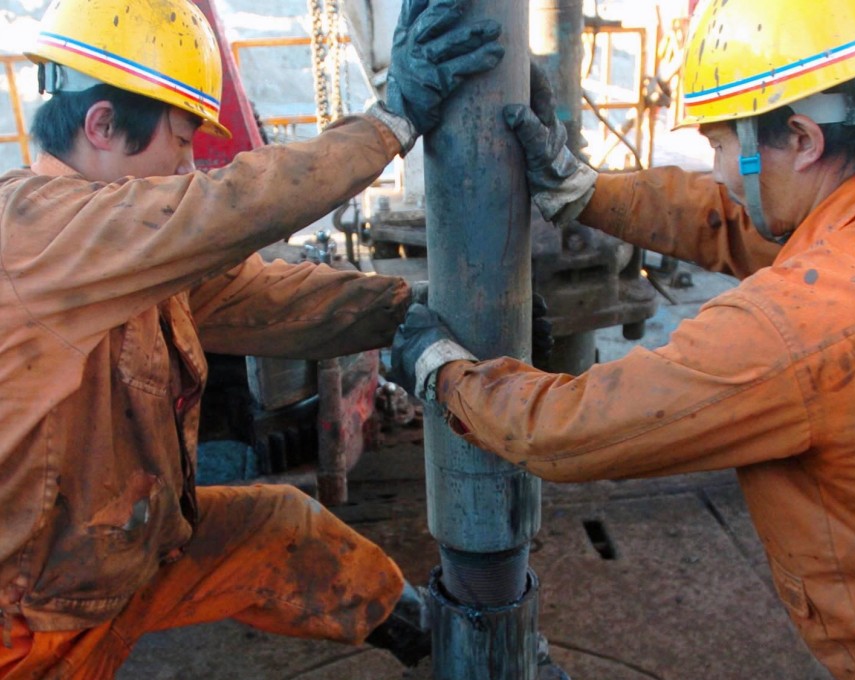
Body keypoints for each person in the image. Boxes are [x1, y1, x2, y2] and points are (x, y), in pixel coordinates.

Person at [390, 0, 855, 677]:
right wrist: (585, 191)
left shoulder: (792, 330)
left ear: (804, 140)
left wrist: (443, 370)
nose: (718, 171)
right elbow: (749, 225)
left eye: (722, 145)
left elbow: (571, 429)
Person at [0, 0, 505, 675]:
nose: (188, 170)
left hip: (112, 560)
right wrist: (389, 123)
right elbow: (224, 207)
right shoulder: (30, 233)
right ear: (102, 125)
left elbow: (257, 297)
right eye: (181, 143)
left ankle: (450, 643)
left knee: (276, 530)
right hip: (27, 622)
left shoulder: (123, 258)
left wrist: (403, 313)